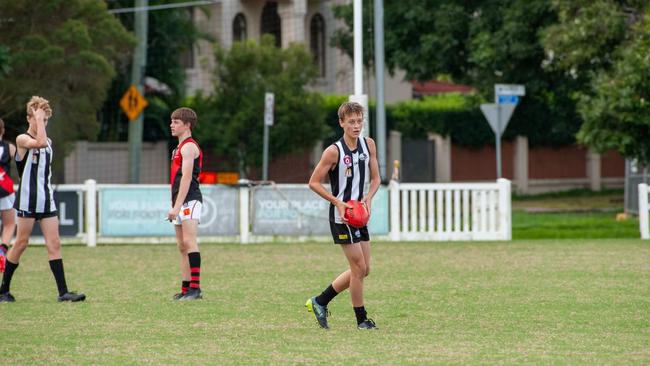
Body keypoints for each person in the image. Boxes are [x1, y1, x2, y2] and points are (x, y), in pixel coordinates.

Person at [0, 96, 85, 302]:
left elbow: (44, 143)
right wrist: (37, 118)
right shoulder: (22, 139)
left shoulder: (49, 142)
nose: (42, 123)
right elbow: (37, 142)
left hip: (46, 200)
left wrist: (41, 118)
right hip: (28, 201)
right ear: (29, 118)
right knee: (21, 243)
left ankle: (63, 292)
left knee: (54, 243)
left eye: (46, 120)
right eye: (39, 119)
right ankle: (3, 290)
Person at [306, 102, 380, 329]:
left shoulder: (369, 145)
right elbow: (313, 182)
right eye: (351, 122)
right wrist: (337, 202)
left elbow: (376, 178)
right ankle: (362, 320)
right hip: (342, 217)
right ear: (342, 123)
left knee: (365, 269)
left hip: (360, 214)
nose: (356, 126)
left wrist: (369, 197)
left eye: (359, 121)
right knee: (358, 268)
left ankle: (320, 301)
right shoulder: (333, 151)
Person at [167, 107, 203, 301]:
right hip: (179, 201)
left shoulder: (189, 147)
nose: (172, 125)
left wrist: (176, 206)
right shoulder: (177, 149)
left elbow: (187, 178)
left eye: (176, 122)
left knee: (190, 241)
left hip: (190, 199)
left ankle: (196, 289)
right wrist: (174, 203)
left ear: (187, 125)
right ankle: (186, 288)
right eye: (172, 121)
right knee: (182, 246)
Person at [0, 118, 16, 273]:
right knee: (9, 224)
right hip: (4, 190)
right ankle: (2, 250)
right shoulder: (9, 147)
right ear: (3, 131)